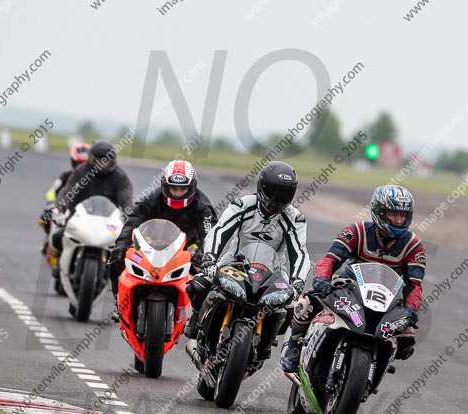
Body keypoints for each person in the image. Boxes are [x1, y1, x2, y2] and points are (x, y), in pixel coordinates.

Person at [280, 184, 425, 373]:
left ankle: (380, 363)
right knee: (307, 301)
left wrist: (411, 309)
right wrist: (322, 280)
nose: (399, 220)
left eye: (403, 215)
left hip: (387, 300)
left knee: (407, 340)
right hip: (349, 289)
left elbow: (415, 285)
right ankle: (294, 347)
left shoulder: (414, 245)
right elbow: (329, 260)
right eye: (393, 214)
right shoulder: (357, 231)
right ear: (379, 211)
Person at [184, 161, 310, 367]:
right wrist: (209, 258)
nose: (276, 199)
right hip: (234, 264)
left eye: (284, 194)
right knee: (199, 284)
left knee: (290, 308)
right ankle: (196, 321)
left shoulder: (295, 218)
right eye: (273, 192)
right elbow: (219, 231)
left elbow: (300, 253)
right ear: (262, 187)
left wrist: (298, 282)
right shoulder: (242, 205)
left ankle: (264, 347)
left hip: (273, 272)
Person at [107, 160, 218, 320]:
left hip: (187, 249)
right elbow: (133, 221)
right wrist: (122, 244)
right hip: (152, 244)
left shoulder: (203, 206)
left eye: (183, 189)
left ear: (192, 187)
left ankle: (198, 318)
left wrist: (205, 254)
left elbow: (210, 234)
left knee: (210, 272)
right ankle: (119, 303)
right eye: (173, 188)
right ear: (165, 185)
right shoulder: (152, 198)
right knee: (116, 257)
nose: (178, 193)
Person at [51, 140, 133, 275]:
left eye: (107, 161)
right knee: (58, 237)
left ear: (113, 160)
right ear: (92, 159)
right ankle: (61, 263)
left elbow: (127, 199)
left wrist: (130, 218)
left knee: (124, 246)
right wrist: (59, 209)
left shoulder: (120, 177)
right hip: (79, 215)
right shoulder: (81, 171)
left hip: (108, 219)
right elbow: (67, 191)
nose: (103, 164)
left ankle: (113, 274)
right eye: (100, 160)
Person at [40, 143, 89, 248]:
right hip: (66, 209)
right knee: (45, 216)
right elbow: (52, 191)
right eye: (77, 164)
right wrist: (51, 203)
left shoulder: (96, 179)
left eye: (84, 165)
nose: (80, 168)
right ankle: (48, 241)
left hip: (88, 211)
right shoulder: (66, 176)